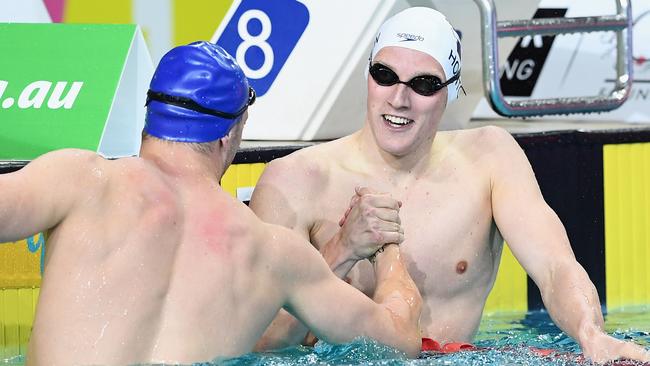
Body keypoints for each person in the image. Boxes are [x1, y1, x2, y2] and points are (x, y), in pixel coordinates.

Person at [249, 7, 650, 364]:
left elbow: (555, 267)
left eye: (423, 84)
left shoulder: (489, 158)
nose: (399, 98)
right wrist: (342, 252)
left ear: (452, 91)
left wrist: (590, 334)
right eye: (385, 76)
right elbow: (258, 340)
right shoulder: (296, 180)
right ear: (368, 74)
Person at [0, 41, 422, 365]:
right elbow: (399, 342)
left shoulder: (80, 180)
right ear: (228, 135)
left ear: (149, 114)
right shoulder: (272, 251)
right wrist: (388, 248)